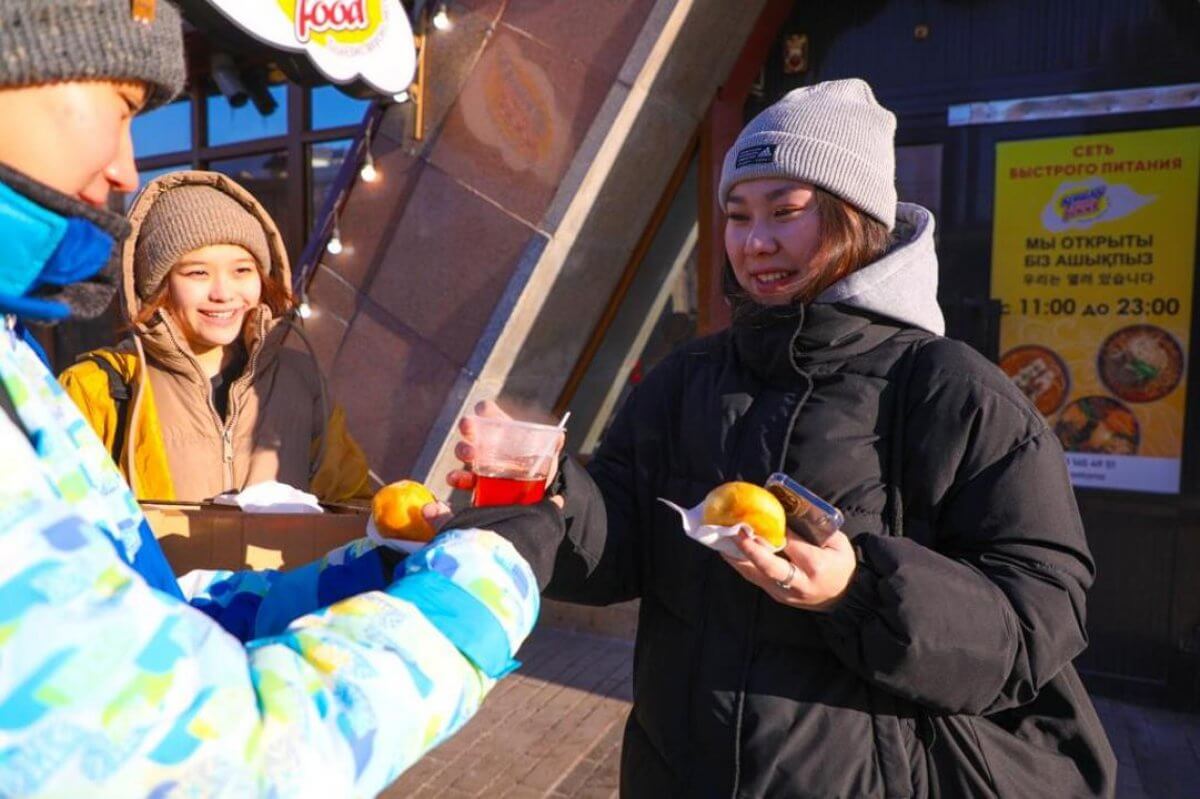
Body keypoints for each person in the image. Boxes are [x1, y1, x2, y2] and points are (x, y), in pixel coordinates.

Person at [449, 79, 1117, 797]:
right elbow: (620, 547)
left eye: (785, 212)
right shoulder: (687, 378)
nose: (754, 241)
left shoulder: (954, 392)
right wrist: (549, 484)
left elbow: (1037, 619)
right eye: (736, 215)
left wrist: (857, 589)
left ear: (856, 218)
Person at [0, 2, 537, 795]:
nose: (126, 167)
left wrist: (373, 564)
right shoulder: (95, 383)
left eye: (242, 270)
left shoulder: (293, 373)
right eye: (121, 106)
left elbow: (145, 606)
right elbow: (209, 763)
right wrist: (482, 587)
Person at [59, 169, 371, 503]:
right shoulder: (99, 388)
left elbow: (349, 501)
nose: (223, 293)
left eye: (242, 270)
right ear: (156, 285)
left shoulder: (301, 380)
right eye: (198, 273)